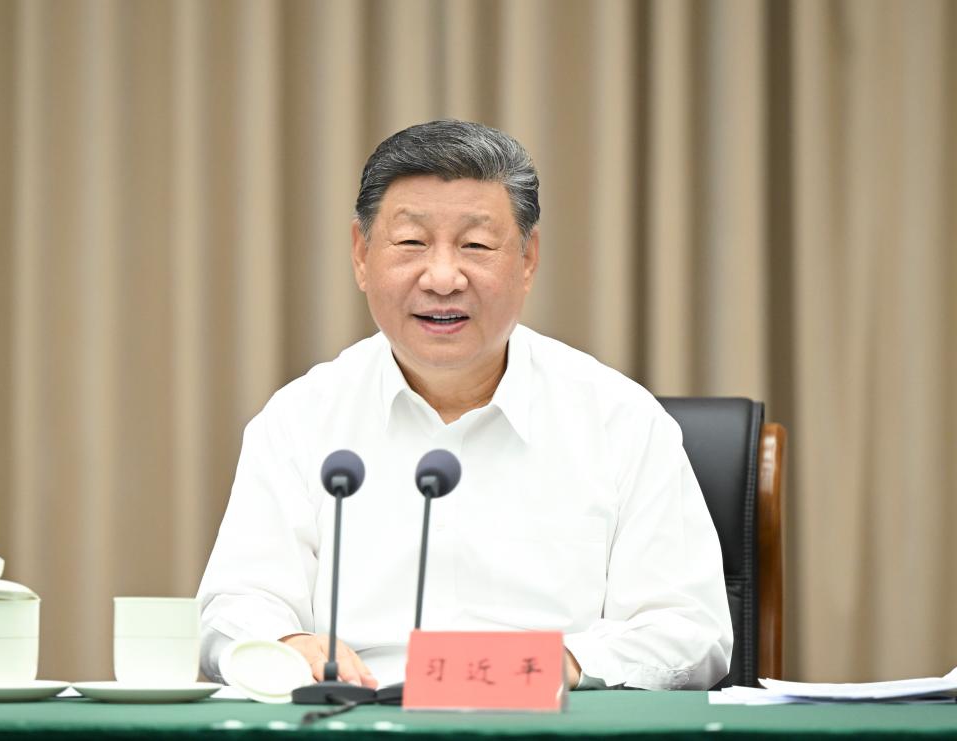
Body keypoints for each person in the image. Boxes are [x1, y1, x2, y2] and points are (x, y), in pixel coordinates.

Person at [197, 120, 732, 691]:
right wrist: (284, 644)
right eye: (411, 243)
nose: (444, 277)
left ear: (527, 258)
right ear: (360, 254)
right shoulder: (300, 418)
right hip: (358, 727)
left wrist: (562, 664)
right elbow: (235, 606)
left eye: (476, 246)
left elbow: (689, 630)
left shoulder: (620, 418)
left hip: (550, 726)